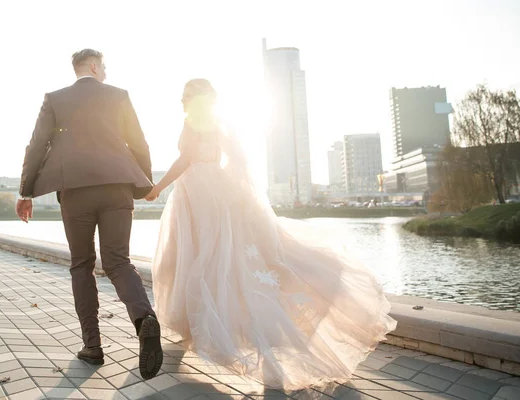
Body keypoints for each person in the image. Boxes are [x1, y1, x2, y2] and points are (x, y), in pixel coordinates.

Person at [145, 79, 397, 389]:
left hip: (197, 194)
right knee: (229, 259)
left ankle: (207, 327)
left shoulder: (192, 124)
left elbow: (184, 160)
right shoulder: (217, 123)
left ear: (188, 99)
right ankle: (236, 329)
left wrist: (157, 187)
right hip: (216, 191)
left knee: (200, 258)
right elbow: (238, 160)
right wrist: (230, 187)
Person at [16, 49, 163, 380]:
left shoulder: (55, 99)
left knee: (81, 264)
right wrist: (145, 184)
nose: (107, 73)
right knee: (118, 262)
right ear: (94, 66)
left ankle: (92, 346)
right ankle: (143, 319)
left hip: (75, 191)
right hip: (117, 188)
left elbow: (37, 145)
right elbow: (139, 143)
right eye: (105, 67)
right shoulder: (119, 96)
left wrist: (26, 191)